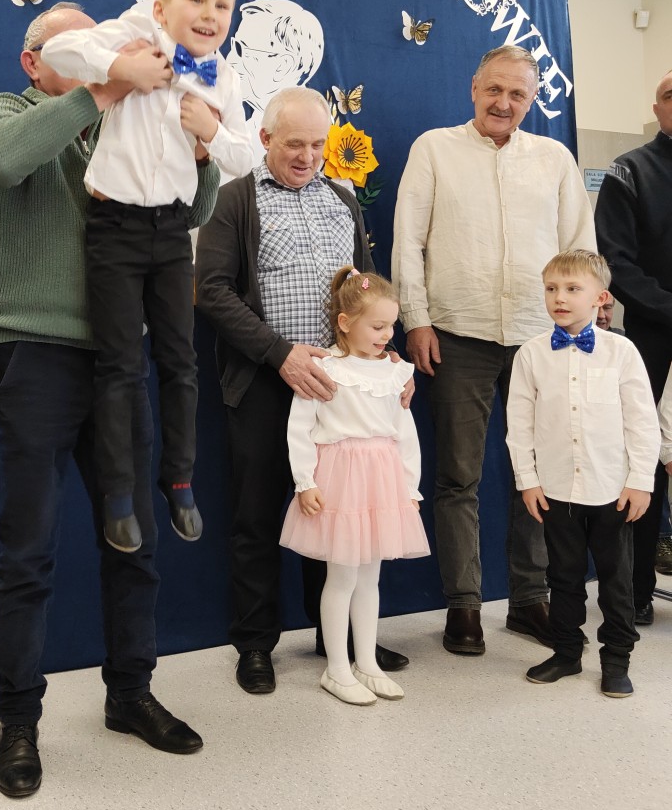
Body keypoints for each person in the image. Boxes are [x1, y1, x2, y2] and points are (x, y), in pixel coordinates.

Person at [0, 1, 218, 799]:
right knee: (28, 550)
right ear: (32, 62)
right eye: (72, 48)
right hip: (35, 353)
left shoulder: (128, 125)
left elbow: (194, 208)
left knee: (134, 541)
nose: (91, 54)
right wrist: (103, 89)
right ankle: (18, 720)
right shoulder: (10, 110)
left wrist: (201, 147)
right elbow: (6, 160)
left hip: (119, 360)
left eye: (96, 45)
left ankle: (130, 692)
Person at [196, 86, 409, 695]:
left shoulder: (343, 200)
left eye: (318, 144)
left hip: (340, 389)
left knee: (338, 517)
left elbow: (365, 295)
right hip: (265, 383)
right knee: (258, 515)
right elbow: (211, 291)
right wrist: (280, 354)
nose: (308, 156)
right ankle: (255, 645)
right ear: (265, 139)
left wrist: (382, 358)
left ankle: (337, 639)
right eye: (295, 144)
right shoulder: (234, 200)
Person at [41, 0, 251, 551]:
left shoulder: (222, 76)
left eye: (222, 6)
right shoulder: (134, 33)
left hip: (174, 231)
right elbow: (59, 51)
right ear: (161, 9)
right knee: (120, 364)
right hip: (115, 226)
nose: (209, 15)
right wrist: (123, 68)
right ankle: (118, 495)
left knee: (180, 360)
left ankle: (179, 479)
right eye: (196, 0)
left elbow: (247, 158)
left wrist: (210, 132)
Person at [392, 44, 595, 657]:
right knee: (458, 476)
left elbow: (579, 250)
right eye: (494, 90)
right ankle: (464, 607)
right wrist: (416, 321)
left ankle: (530, 600)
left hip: (541, 338)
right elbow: (407, 242)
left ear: (531, 101)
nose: (504, 103)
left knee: (540, 471)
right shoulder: (434, 149)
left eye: (517, 94)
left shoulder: (555, 159)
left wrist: (581, 323)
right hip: (458, 335)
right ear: (474, 89)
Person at [505, 251, 659, 697]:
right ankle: (567, 652)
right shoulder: (531, 355)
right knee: (563, 576)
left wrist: (641, 481)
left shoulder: (622, 352)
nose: (560, 298)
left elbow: (642, 421)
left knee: (616, 580)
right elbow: (520, 425)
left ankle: (617, 659)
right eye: (551, 288)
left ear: (600, 297)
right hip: (556, 489)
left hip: (612, 489)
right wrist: (528, 480)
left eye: (573, 289)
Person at [280, 267, 430, 706]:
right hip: (341, 481)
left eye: (391, 326)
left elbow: (405, 434)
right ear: (345, 323)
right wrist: (305, 481)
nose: (387, 335)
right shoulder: (325, 368)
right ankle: (337, 668)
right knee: (342, 576)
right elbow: (300, 428)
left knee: (370, 578)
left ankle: (367, 662)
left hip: (381, 482)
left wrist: (411, 488)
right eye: (377, 326)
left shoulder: (395, 372)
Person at [594, 67, 672, 625]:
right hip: (652, 337)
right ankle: (637, 590)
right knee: (644, 463)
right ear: (657, 107)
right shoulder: (630, 171)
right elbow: (615, 261)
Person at [224, 0, 325, 164]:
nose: (230, 61)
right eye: (234, 45)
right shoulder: (241, 134)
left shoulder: (325, 137)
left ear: (283, 66)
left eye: (240, 50)